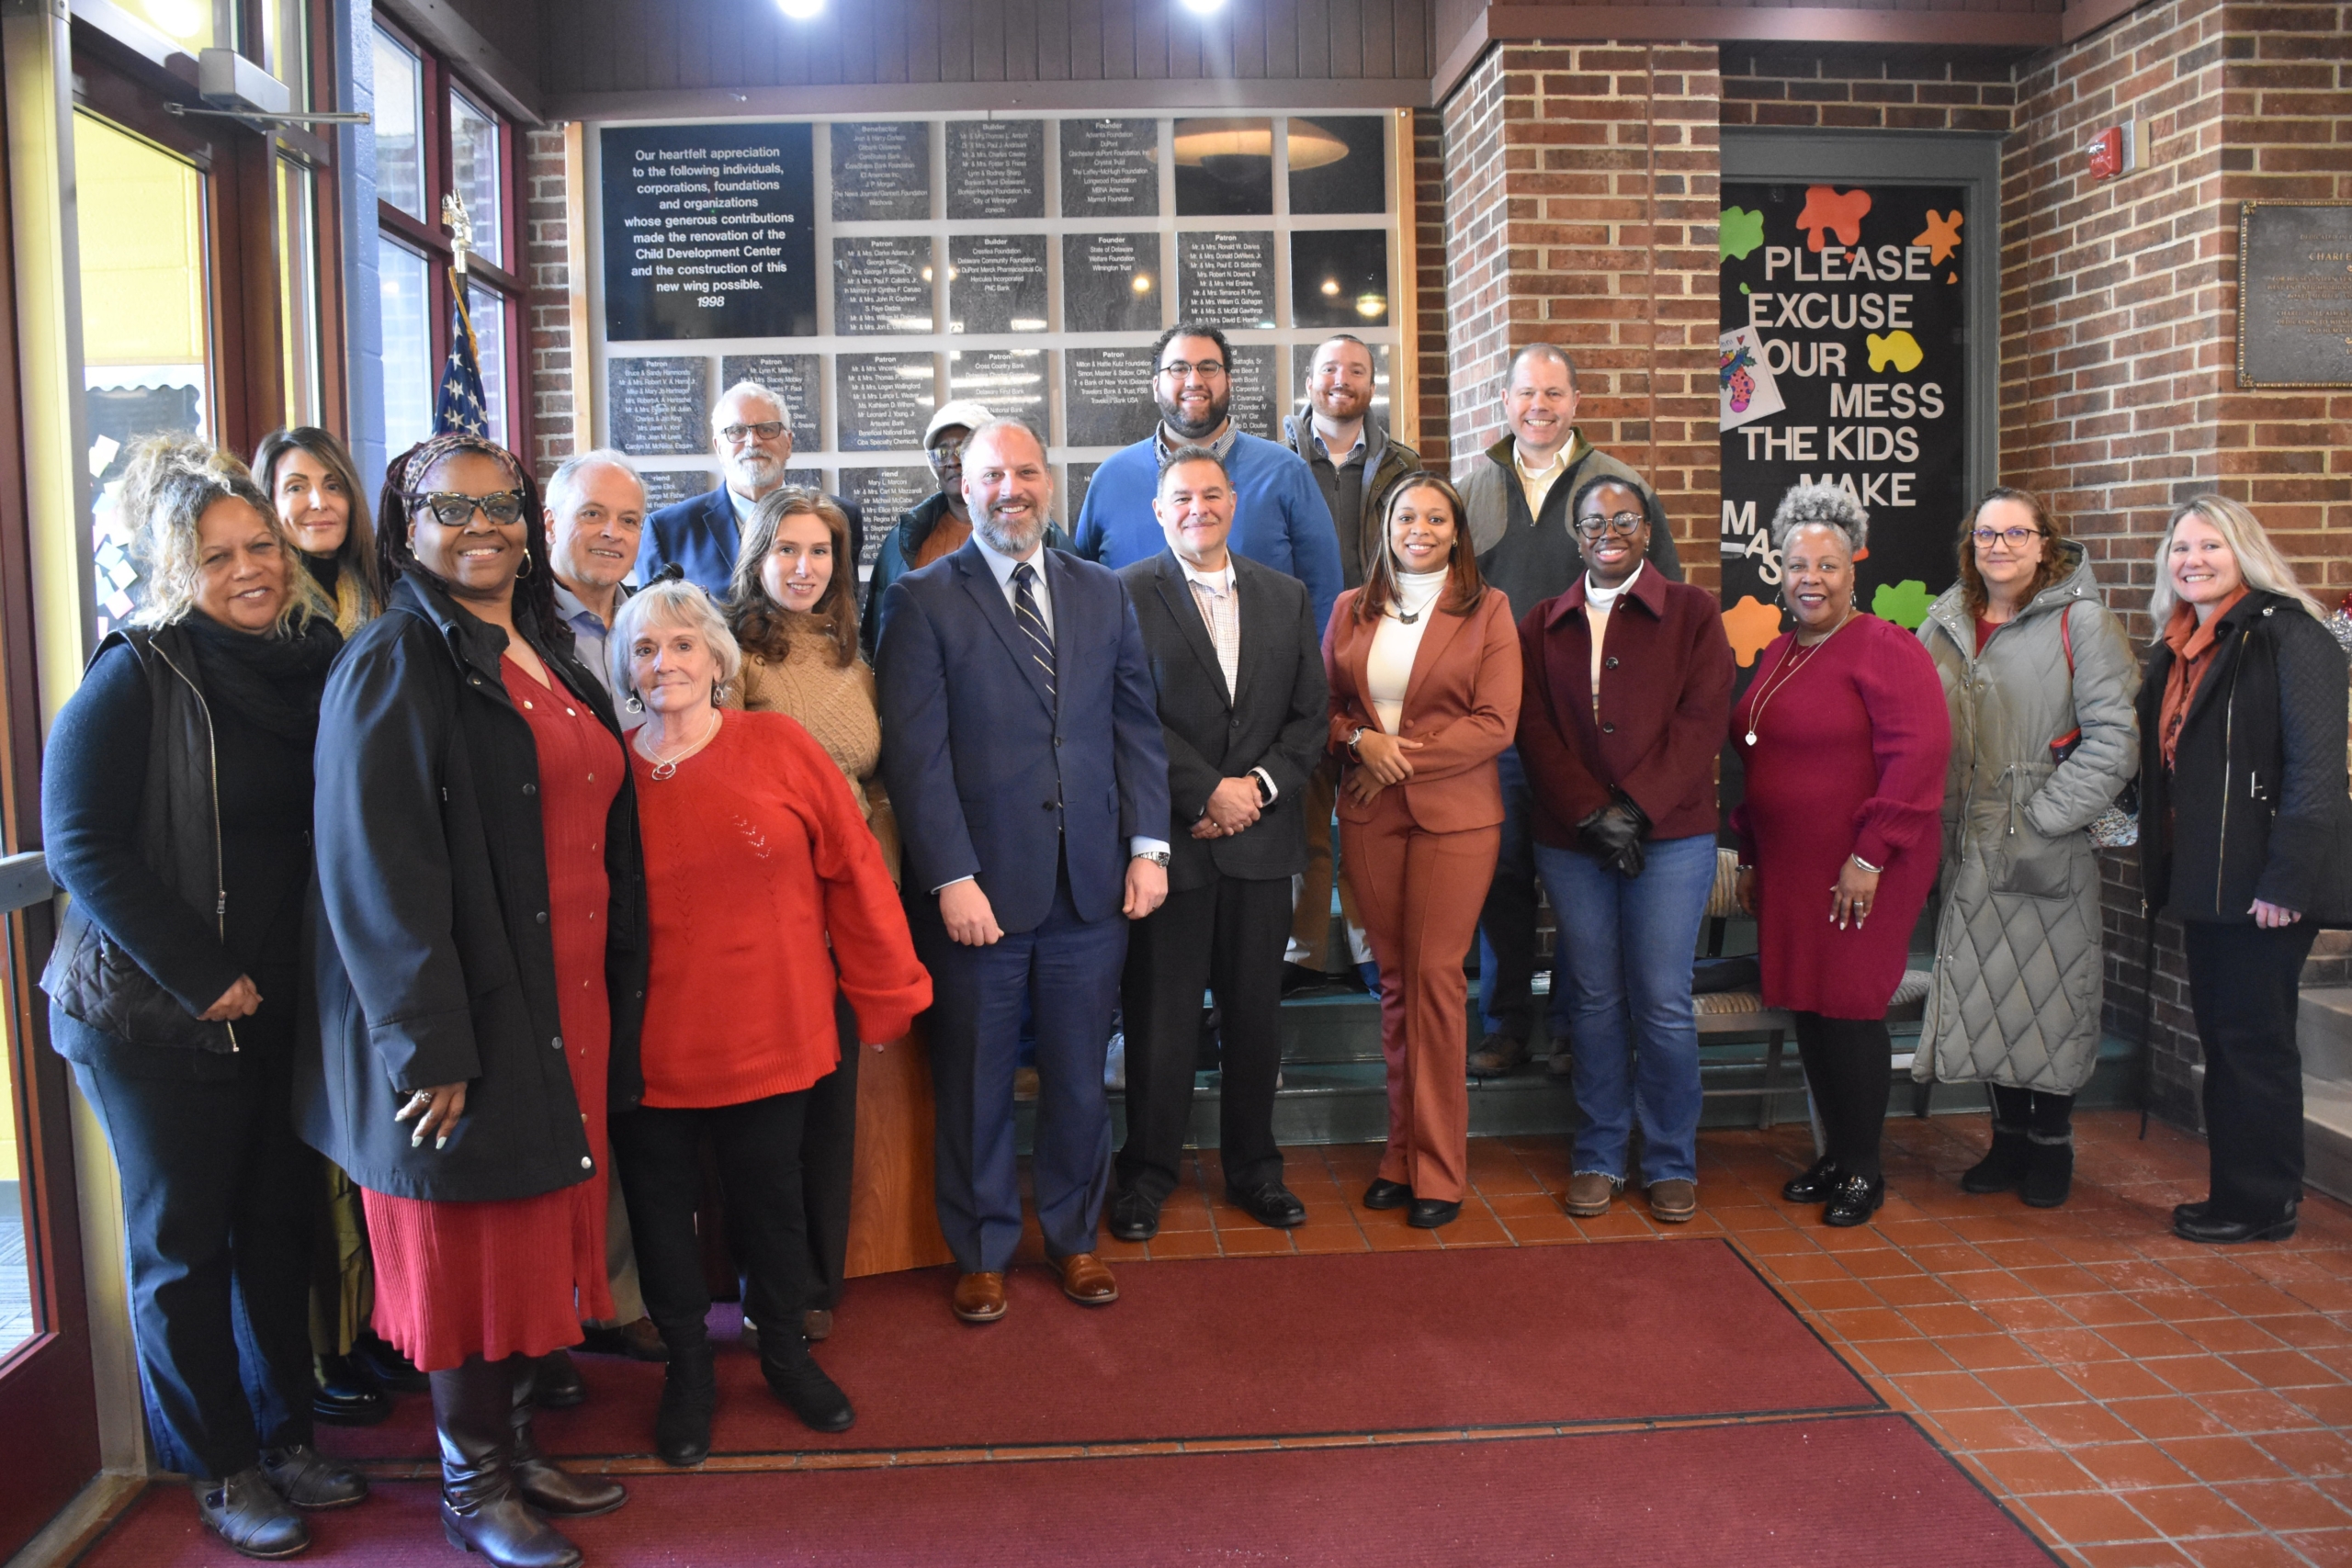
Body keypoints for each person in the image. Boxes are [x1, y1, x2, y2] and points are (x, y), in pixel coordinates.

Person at [304, 433, 643, 1568]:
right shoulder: (397, 657)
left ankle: (513, 1447)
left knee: (528, 1238)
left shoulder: (534, 645)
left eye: (503, 503)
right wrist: (427, 1044)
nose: (484, 524)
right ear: (407, 529)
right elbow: (376, 870)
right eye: (454, 509)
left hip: (557, 1003)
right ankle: (472, 1484)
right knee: (469, 1250)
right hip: (461, 1022)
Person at [41, 436, 363, 1559]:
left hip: (277, 1002)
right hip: (151, 1016)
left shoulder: (313, 655)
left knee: (277, 1227)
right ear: (178, 566)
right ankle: (223, 1468)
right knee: (183, 1248)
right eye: (218, 555)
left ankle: (288, 1436)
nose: (249, 570)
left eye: (260, 545)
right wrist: (201, 972)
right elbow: (78, 843)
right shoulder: (139, 669)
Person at [609, 581, 931, 1467]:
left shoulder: (780, 745)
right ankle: (688, 1372)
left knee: (774, 1207)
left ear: (717, 659)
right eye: (644, 649)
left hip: (774, 1035)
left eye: (681, 645)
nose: (663, 662)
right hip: (648, 1048)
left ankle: (784, 1351)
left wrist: (884, 992)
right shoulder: (607, 771)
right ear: (625, 670)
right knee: (664, 1217)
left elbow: (856, 874)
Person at [876, 419, 1170, 1323]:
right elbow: (916, 759)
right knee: (976, 1081)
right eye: (992, 474)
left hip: (1089, 887)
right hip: (980, 897)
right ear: (964, 489)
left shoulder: (1100, 591)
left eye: (1027, 471)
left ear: (1051, 481)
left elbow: (1133, 727)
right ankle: (982, 1248)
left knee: (1084, 1078)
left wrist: (1148, 847)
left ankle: (1075, 1241)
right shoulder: (923, 600)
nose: (1012, 488)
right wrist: (950, 878)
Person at [722, 487, 930, 1333]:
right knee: (773, 1104)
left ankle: (819, 1277)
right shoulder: (731, 652)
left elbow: (877, 773)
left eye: (820, 554)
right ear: (758, 557)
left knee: (835, 1092)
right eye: (787, 551)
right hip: (772, 906)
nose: (803, 569)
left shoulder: (854, 655)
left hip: (853, 897)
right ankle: (772, 1280)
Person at [1110, 446, 1329, 1241]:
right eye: (1182, 497)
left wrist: (1257, 791)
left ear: (1233, 503)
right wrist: (1206, 790)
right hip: (1170, 843)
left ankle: (1255, 1168)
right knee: (1160, 1019)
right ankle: (1147, 1172)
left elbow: (1308, 715)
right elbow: (1125, 714)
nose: (1198, 507)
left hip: (1260, 845)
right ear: (1160, 510)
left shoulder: (1286, 595)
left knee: (1254, 1018)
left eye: (1212, 494)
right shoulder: (1124, 594)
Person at [1457, 345, 1682, 1079]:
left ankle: (1572, 1027)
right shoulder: (1473, 490)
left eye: (1554, 393)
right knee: (1502, 875)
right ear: (1506, 401)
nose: (1540, 406)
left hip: (1590, 728)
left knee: (1580, 879)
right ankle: (1506, 1024)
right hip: (1499, 728)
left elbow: (1667, 605)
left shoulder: (1618, 487)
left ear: (1576, 402)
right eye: (1527, 393)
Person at [1731, 484, 1950, 1229]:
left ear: (1854, 566)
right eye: (1797, 564)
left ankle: (1864, 1168)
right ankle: (1834, 1155)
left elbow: (1918, 759)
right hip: (1793, 866)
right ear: (1779, 570)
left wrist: (1871, 855)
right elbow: (1755, 760)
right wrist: (1753, 852)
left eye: (1826, 564)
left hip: (1863, 867)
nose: (1810, 578)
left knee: (1852, 1011)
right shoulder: (1781, 651)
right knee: (1814, 1011)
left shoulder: (1887, 647)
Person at [1518, 477, 1734, 1223]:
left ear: (1648, 530)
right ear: (1575, 535)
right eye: (1592, 522)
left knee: (1664, 1001)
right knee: (1596, 1000)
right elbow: (1533, 730)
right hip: (1574, 841)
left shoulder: (1695, 613)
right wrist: (1591, 814)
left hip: (1671, 836)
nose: (1607, 532)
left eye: (1624, 519)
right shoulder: (1543, 622)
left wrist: (1635, 810)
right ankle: (1600, 1152)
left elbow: (1704, 718)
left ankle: (1671, 1157)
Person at [2138, 496, 2352, 1244]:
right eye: (2181, 548)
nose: (2192, 559)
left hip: (2267, 884)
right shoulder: (2180, 645)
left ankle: (2263, 1200)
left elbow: (2319, 774)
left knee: (2254, 1041)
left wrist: (2287, 883)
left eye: (2211, 547)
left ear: (2245, 553)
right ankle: (2236, 1188)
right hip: (2208, 878)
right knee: (2225, 1038)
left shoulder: (2292, 637)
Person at [1917, 489, 2139, 1209]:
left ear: (2046, 543)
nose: (2000, 546)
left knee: (2051, 990)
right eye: (1986, 533)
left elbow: (2115, 742)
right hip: (1961, 840)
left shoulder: (2086, 623)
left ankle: (2051, 1144)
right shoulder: (1944, 622)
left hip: (2043, 840)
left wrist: (2046, 816)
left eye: (2017, 533)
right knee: (1987, 992)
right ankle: (2006, 1137)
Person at [1323, 473, 1521, 1229]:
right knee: (1396, 984)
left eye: (1437, 517)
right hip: (1371, 819)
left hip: (1455, 820)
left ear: (1457, 531)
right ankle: (1399, 1154)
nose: (1421, 527)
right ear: (1387, 526)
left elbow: (1494, 722)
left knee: (1436, 981)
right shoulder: (1351, 607)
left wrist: (1392, 755)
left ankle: (1440, 1166)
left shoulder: (1488, 609)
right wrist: (1356, 741)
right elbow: (1329, 710)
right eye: (1408, 515)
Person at [253, 423, 398, 1427]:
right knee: (313, 1133)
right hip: (296, 897)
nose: (314, 505)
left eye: (328, 486)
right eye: (292, 489)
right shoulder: (270, 624)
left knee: (368, 1121)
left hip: (371, 886)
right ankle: (320, 1345)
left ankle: (372, 1327)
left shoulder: (373, 606)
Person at [543, 447, 669, 1370]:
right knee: (558, 1117)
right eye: (592, 516)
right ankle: (552, 1320)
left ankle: (613, 1300)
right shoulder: (516, 631)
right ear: (551, 524)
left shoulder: (644, 623)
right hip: (555, 907)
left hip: (635, 904)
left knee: (622, 1111)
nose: (611, 535)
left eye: (627, 521)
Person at [1279, 333, 1419, 995]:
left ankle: (1371, 951)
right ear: (1308, 380)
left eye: (1357, 370)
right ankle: (1302, 952)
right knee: (1305, 810)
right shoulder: (1271, 461)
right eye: (1330, 368)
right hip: (1292, 654)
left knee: (1368, 815)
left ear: (1372, 382)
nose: (1343, 380)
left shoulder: (1405, 465)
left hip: (1374, 656)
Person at [1073, 323, 1341, 638]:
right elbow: (1081, 592)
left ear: (1229, 381)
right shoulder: (1111, 479)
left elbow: (1325, 595)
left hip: (1263, 682)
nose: (1194, 380)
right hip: (1136, 682)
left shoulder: (1285, 472)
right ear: (1156, 384)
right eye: (1179, 368)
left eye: (1208, 367)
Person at [862, 400, 1076, 660]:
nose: (952, 460)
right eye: (941, 452)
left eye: (963, 448)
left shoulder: (1049, 539)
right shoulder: (903, 540)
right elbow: (877, 639)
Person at [635, 380, 864, 595]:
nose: (753, 441)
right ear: (718, 448)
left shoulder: (841, 517)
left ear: (789, 443)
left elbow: (845, 614)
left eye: (767, 429)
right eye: (737, 431)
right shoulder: (668, 530)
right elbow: (649, 624)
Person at [254, 425, 382, 634]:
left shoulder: (386, 582)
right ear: (268, 503)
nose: (320, 503)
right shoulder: (257, 598)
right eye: (296, 488)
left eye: (333, 486)